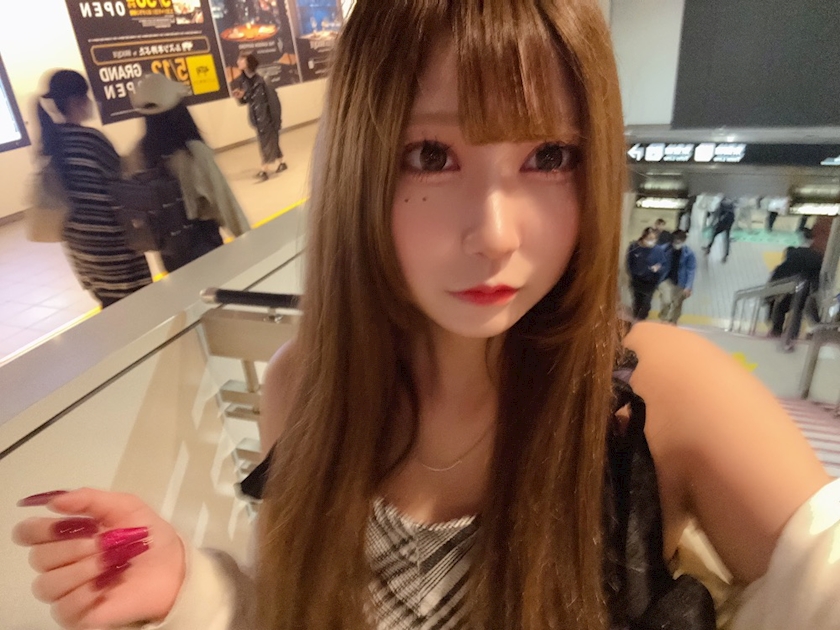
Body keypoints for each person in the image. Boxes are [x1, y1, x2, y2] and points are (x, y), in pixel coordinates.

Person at [13, 3, 840, 630]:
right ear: (360, 165)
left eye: (550, 156)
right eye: (431, 155)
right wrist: (191, 588)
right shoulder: (306, 384)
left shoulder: (654, 395)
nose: (496, 233)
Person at [35, 70, 152, 308]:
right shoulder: (91, 139)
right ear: (75, 101)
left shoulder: (51, 143)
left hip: (80, 246)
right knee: (138, 305)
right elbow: (122, 180)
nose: (90, 102)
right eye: (86, 97)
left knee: (108, 303)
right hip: (111, 242)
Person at [127, 74, 251, 272]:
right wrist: (249, 238)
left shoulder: (137, 154)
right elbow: (223, 201)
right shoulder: (192, 153)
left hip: (169, 253)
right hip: (202, 245)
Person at [230, 53, 288, 182]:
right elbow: (247, 100)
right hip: (257, 118)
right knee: (270, 140)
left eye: (241, 59)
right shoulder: (244, 80)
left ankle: (264, 170)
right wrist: (240, 97)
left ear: (249, 62)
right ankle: (282, 162)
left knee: (265, 143)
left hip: (267, 117)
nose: (238, 61)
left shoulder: (263, 80)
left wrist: (276, 120)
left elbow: (274, 101)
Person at [767, 229, 823, 338]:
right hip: (809, 289)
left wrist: (771, 286)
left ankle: (777, 331)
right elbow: (818, 274)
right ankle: (804, 334)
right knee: (802, 310)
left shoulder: (793, 254)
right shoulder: (817, 256)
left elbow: (782, 271)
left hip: (792, 288)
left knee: (781, 307)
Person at [658, 229, 697, 325]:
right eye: (676, 241)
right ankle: (664, 319)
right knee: (666, 300)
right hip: (666, 279)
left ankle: (673, 321)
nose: (677, 244)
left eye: (680, 242)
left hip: (680, 282)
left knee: (677, 303)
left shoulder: (689, 253)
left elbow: (691, 270)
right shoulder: (664, 250)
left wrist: (688, 286)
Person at [627, 227, 666, 320]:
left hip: (650, 281)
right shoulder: (634, 247)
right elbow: (629, 263)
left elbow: (663, 263)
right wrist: (634, 274)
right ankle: (636, 316)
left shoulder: (658, 250)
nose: (651, 241)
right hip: (637, 280)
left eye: (654, 239)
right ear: (643, 237)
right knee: (637, 300)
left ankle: (641, 319)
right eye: (649, 239)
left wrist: (658, 267)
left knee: (646, 302)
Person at [703, 197, 735, 262]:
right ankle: (726, 254)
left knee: (715, 234)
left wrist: (711, 222)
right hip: (729, 221)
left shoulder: (722, 203)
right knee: (726, 238)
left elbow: (717, 213)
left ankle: (709, 248)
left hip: (723, 221)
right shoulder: (731, 204)